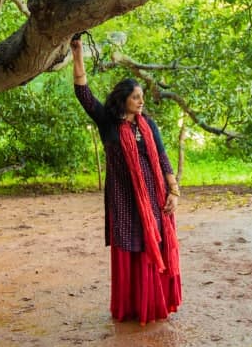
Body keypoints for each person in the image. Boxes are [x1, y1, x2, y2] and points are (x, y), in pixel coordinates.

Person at [70, 35, 182, 324]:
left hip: (153, 198)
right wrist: (78, 51)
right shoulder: (108, 122)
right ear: (123, 99)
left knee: (149, 246)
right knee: (128, 248)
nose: (141, 101)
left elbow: (162, 155)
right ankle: (130, 307)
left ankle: (153, 305)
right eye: (136, 97)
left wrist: (173, 191)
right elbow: (82, 91)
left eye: (142, 97)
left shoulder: (148, 124)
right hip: (122, 199)